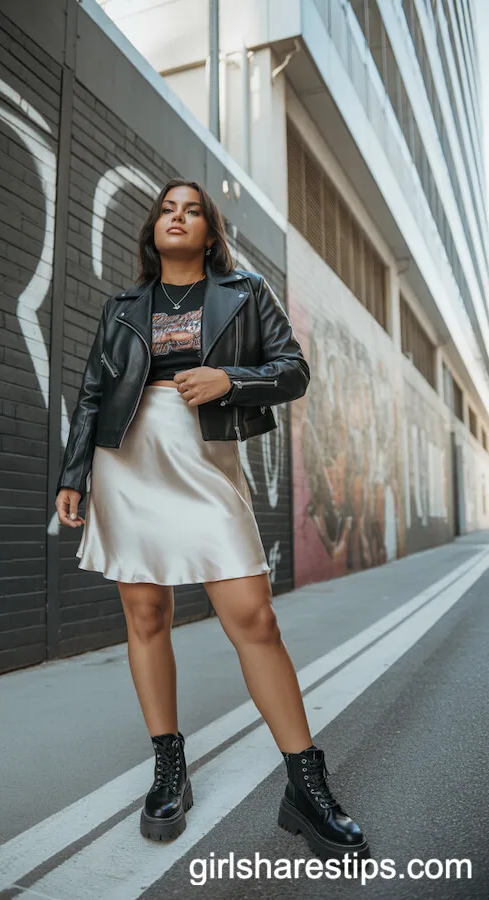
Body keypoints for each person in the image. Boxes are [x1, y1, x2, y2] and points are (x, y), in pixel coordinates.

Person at [55, 178, 369, 862]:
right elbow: (92, 392)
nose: (178, 216)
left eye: (192, 209)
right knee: (145, 615)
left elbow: (292, 371)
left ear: (210, 231)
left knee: (254, 616)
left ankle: (306, 785)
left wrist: (230, 380)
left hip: (202, 459)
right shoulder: (124, 305)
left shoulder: (245, 293)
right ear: (153, 227)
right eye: (167, 208)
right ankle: (170, 767)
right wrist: (73, 474)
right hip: (128, 459)